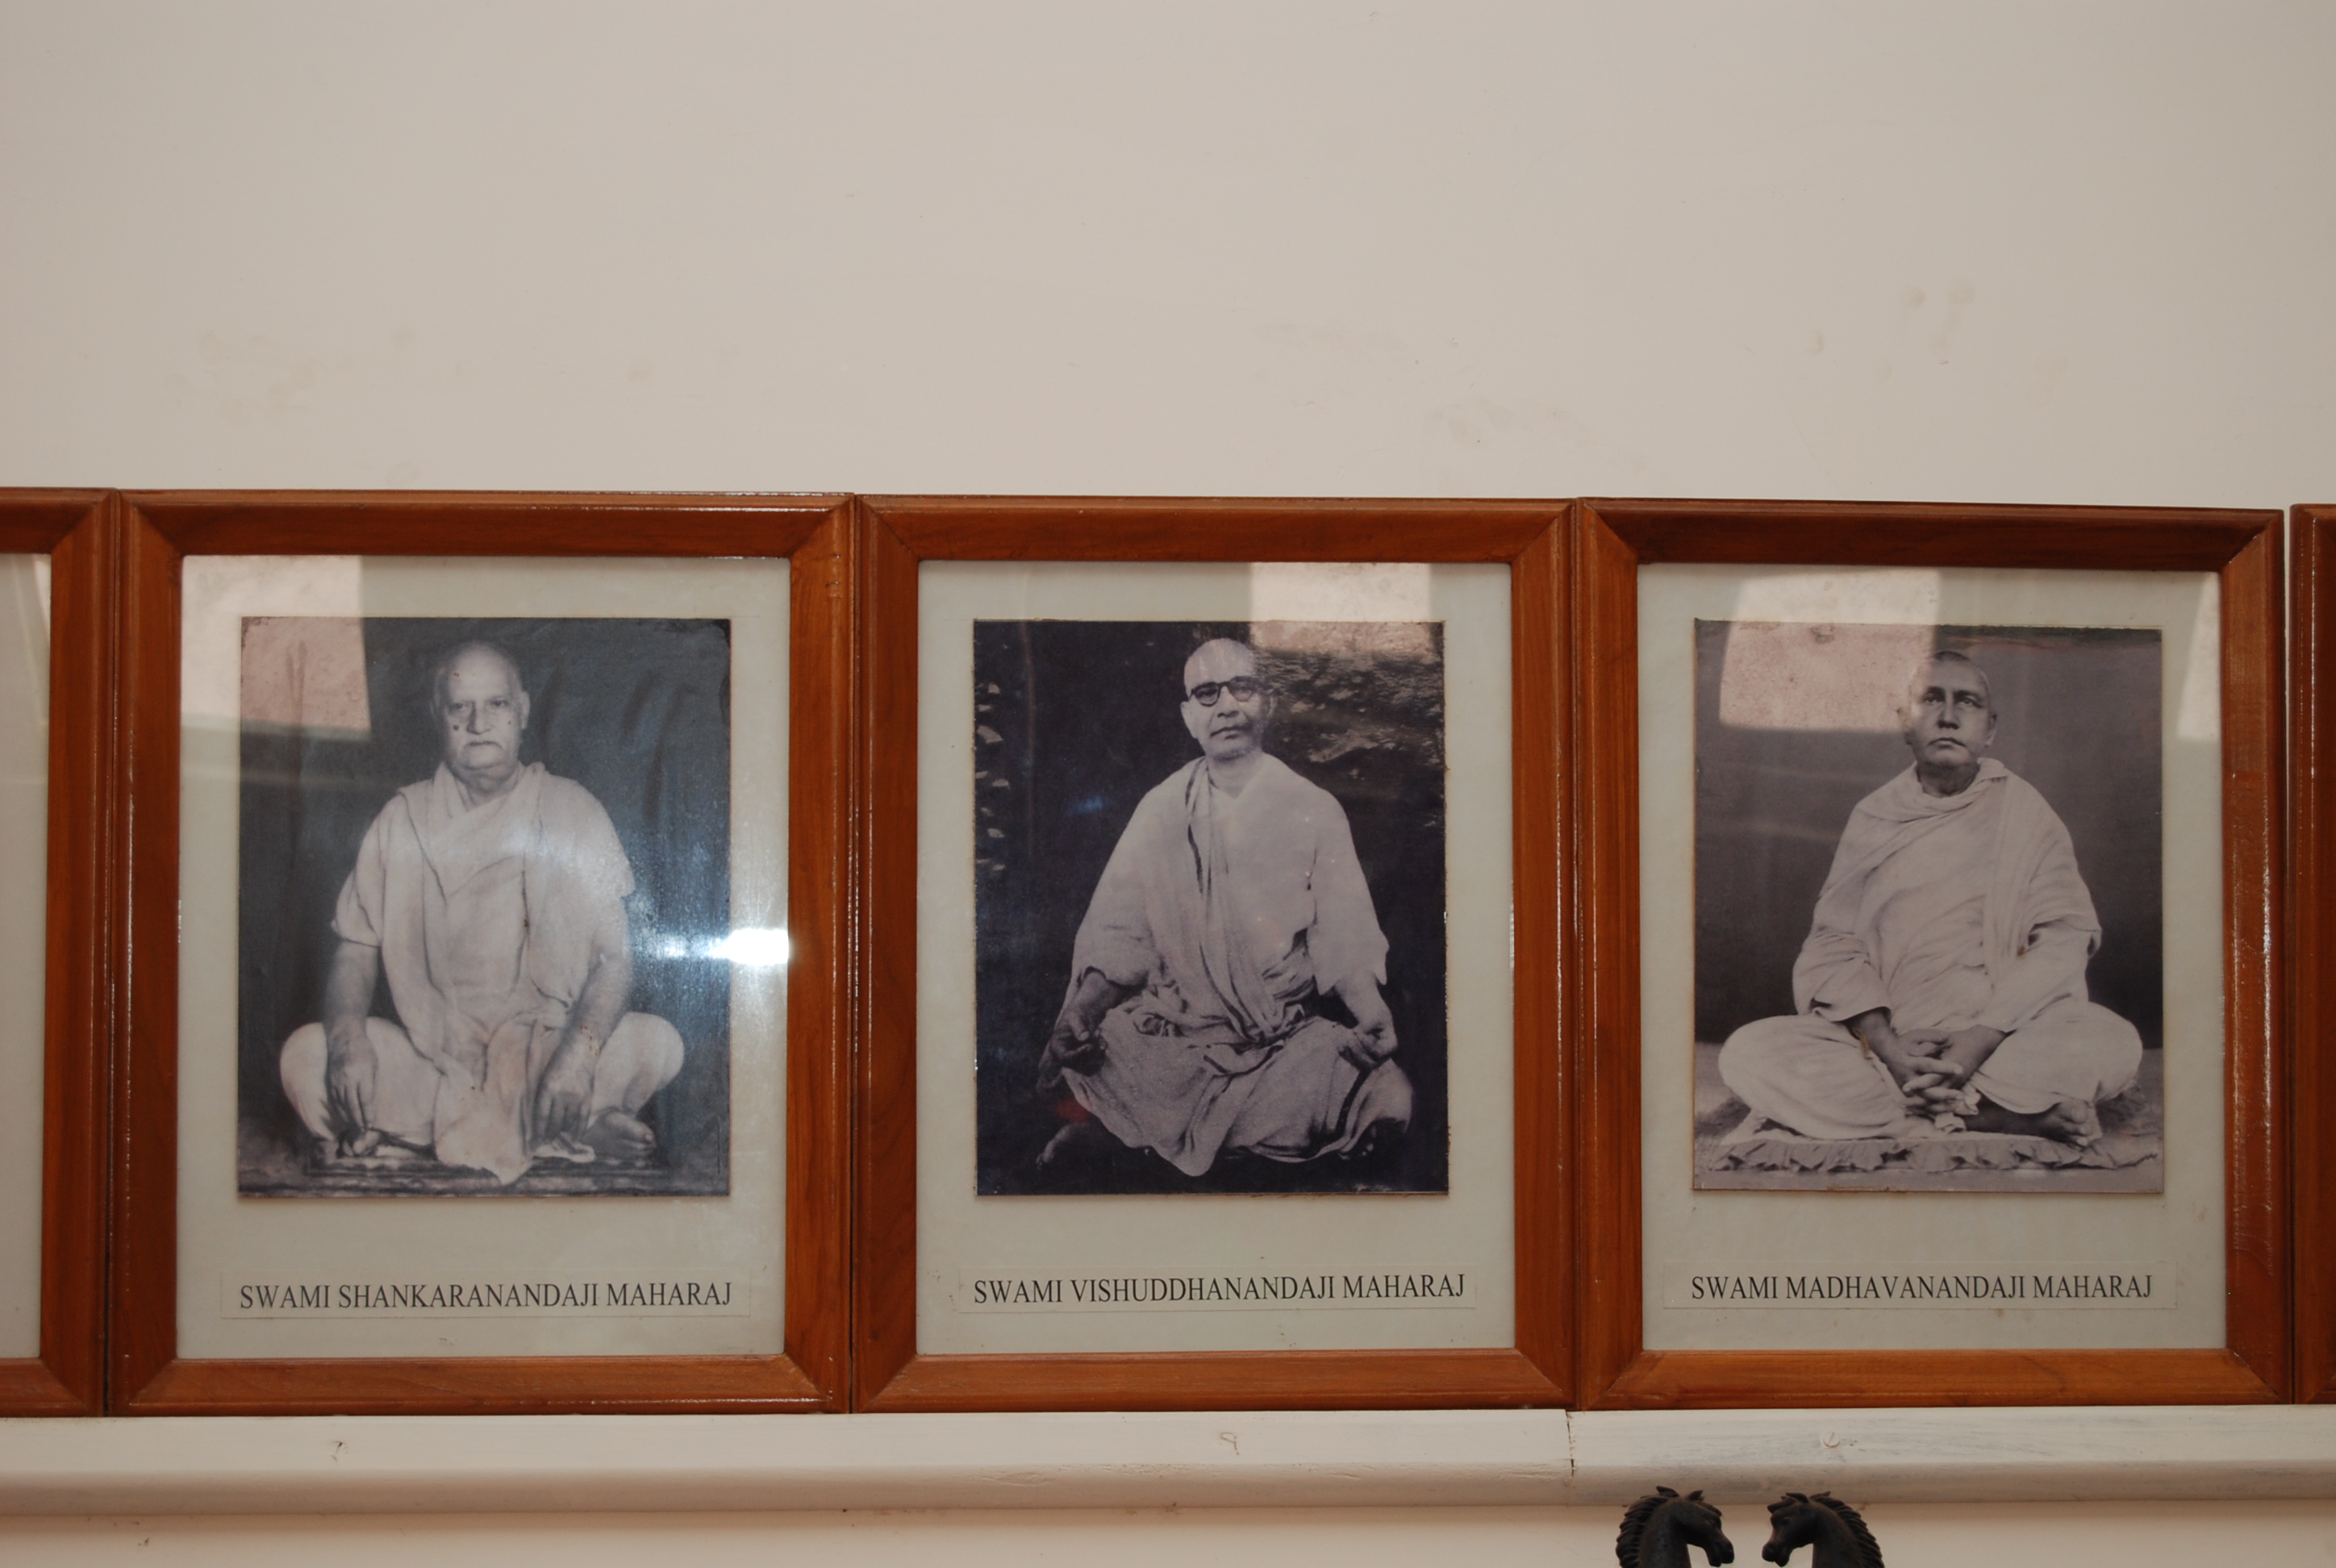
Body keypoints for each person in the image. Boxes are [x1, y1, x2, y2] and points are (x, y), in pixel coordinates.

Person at [278, 642, 683, 1184]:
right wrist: (349, 1043)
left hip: (547, 1058)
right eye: (459, 708)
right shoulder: (401, 819)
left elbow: (615, 960)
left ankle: (416, 1137)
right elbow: (355, 952)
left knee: (658, 1042)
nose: (478, 723)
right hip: (437, 1066)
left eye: (496, 704)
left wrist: (577, 1062)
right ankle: (572, 1132)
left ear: (523, 711)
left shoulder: (573, 808)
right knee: (306, 1056)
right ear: (438, 717)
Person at [1717, 650, 2142, 1148]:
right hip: (1894, 1040)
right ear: (1905, 723)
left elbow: (2063, 940)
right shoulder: (1875, 816)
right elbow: (1833, 945)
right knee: (1749, 1052)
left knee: (2113, 1042)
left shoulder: (2026, 812)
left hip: (2001, 1035)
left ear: (1990, 729)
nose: (1948, 717)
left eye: (1967, 702)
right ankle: (1999, 1116)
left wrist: (1978, 1040)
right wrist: (1891, 1049)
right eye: (1931, 700)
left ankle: (1920, 1112)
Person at [1034, 636, 1412, 1177]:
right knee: (1106, 1047)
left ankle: (1130, 1134)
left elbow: (1343, 936)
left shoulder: (1314, 808)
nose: (1227, 706)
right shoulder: (1161, 808)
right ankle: (1134, 1129)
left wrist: (1372, 1014)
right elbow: (1121, 933)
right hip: (1176, 1034)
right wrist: (1084, 1012)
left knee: (1388, 1088)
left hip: (1278, 1038)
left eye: (1243, 688)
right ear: (1189, 716)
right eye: (1208, 693)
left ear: (1269, 702)